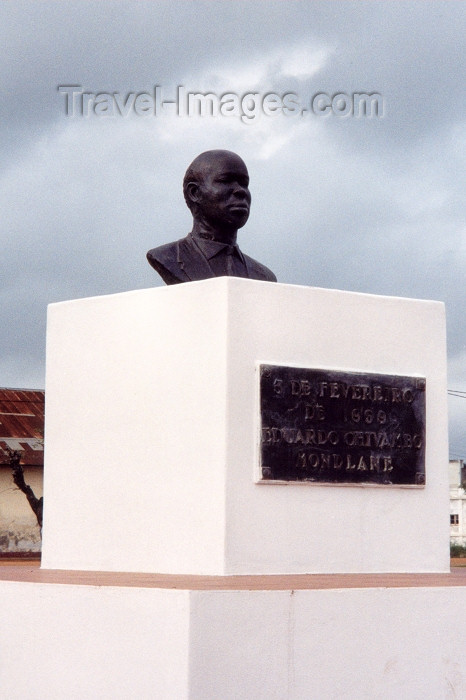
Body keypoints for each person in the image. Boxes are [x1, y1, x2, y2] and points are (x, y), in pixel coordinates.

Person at [146, 150, 277, 284]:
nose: (241, 190)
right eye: (225, 180)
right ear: (194, 193)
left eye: (244, 183)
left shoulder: (264, 276)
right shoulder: (168, 257)